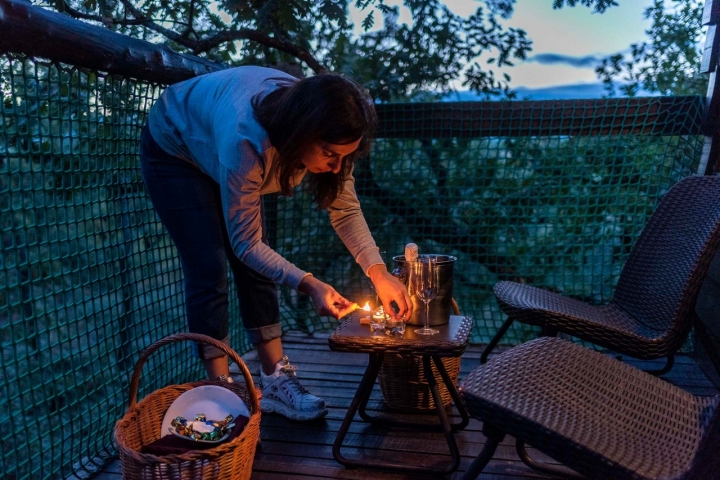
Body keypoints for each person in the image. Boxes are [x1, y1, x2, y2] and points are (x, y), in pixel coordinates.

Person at [139, 66, 413, 421]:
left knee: (257, 264)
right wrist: (309, 283)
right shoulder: (247, 141)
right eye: (331, 154)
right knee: (209, 265)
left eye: (345, 157)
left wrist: (378, 274)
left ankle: (275, 380)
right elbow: (246, 245)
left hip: (217, 139)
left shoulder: (329, 126)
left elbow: (345, 211)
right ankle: (221, 389)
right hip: (176, 147)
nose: (336, 167)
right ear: (303, 134)